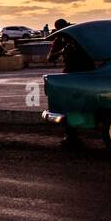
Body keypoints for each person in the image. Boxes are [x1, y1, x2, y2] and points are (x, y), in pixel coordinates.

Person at [47, 19, 94, 148]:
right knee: (69, 105)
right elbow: (50, 57)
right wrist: (62, 51)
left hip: (85, 72)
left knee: (86, 103)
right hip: (70, 74)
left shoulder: (79, 38)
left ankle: (79, 131)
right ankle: (71, 135)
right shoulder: (59, 40)